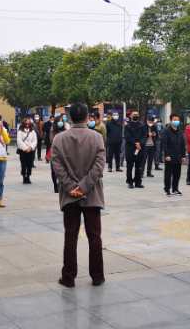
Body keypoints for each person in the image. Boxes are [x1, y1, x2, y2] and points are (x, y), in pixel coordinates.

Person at [50, 103, 106, 288]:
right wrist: (84, 187)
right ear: (87, 117)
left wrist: (72, 187)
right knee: (94, 237)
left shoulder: (59, 139)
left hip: (70, 196)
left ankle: (68, 277)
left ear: (69, 117)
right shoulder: (97, 137)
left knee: (70, 236)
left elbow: (57, 166)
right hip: (92, 195)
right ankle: (97, 276)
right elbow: (99, 166)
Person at [161, 113, 187, 196]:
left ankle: (175, 189)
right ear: (171, 120)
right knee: (168, 174)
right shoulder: (166, 131)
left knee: (177, 174)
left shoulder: (180, 131)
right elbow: (164, 144)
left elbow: (183, 144)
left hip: (178, 156)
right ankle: (167, 189)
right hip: (170, 156)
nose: (176, 121)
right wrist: (166, 155)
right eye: (174, 120)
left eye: (177, 120)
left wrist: (183, 156)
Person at [124, 110, 147, 189]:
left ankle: (138, 182)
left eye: (137, 114)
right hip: (130, 148)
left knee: (139, 166)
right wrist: (135, 143)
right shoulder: (127, 126)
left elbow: (145, 136)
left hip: (140, 148)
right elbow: (127, 137)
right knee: (129, 166)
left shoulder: (142, 125)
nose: (135, 115)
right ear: (130, 116)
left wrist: (140, 143)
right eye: (134, 114)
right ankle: (130, 182)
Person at [49, 114, 69, 193]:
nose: (61, 122)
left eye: (62, 121)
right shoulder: (53, 130)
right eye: (59, 121)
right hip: (55, 152)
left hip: (64, 153)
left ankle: (62, 184)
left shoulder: (65, 129)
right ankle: (55, 185)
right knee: (54, 170)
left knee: (64, 169)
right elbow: (52, 140)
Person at [17, 116, 37, 184]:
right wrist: (25, 148)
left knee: (29, 164)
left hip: (31, 150)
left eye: (28, 123)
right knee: (23, 164)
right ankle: (24, 177)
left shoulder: (32, 131)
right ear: (23, 124)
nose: (27, 125)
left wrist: (31, 147)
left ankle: (28, 176)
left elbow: (35, 140)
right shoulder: (20, 131)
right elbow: (19, 141)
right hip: (23, 151)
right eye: (26, 123)